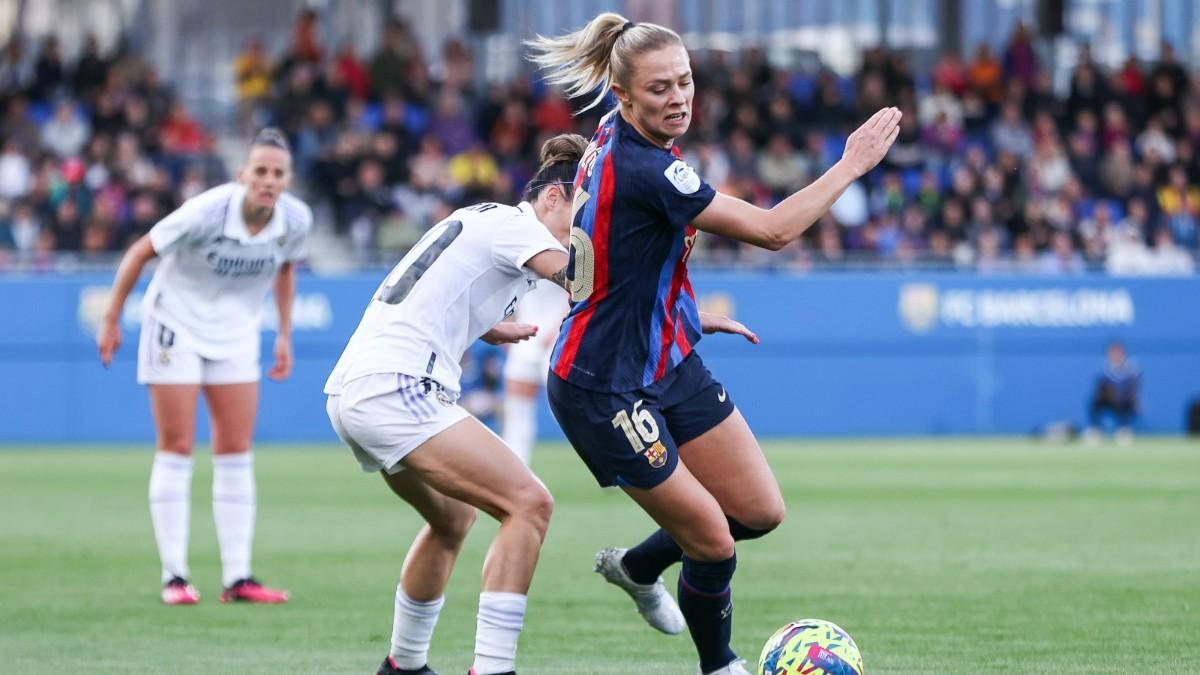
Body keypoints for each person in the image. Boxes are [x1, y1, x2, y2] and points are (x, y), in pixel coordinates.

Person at [529, 14, 899, 675]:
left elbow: (627, 253)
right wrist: (852, 165)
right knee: (715, 542)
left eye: (686, 82)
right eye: (661, 88)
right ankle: (720, 665)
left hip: (665, 354)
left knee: (757, 511)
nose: (679, 98)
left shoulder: (616, 137)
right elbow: (774, 231)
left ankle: (639, 566)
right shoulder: (646, 167)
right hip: (602, 383)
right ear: (623, 96)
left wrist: (681, 315)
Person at [324, 135, 575, 675]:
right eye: (584, 212)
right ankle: (492, 668)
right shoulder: (518, 227)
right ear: (553, 196)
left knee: (453, 519)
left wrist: (484, 325)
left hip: (354, 388)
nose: (583, 232)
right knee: (529, 504)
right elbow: (585, 279)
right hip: (397, 386)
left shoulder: (486, 221)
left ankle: (404, 666)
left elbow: (437, 284)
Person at [97, 128, 310, 605]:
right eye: (260, 171)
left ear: (288, 180)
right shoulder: (207, 211)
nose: (268, 181)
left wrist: (284, 333)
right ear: (243, 174)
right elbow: (139, 252)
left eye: (278, 174)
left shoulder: (297, 220)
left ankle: (238, 578)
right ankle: (175, 576)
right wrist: (111, 318)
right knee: (176, 446)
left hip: (235, 332)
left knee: (235, 450)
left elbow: (285, 268)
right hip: (175, 322)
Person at [500, 277, 569, 464]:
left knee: (568, 411)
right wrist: (507, 328)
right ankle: (515, 469)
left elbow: (578, 293)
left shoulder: (570, 252)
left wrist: (561, 329)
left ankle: (609, 461)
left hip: (557, 341)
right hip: (524, 340)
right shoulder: (516, 253)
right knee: (517, 412)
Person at [1084, 341, 1140, 446]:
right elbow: (1100, 388)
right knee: (1094, 402)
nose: (1116, 356)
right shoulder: (1104, 370)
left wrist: (1136, 401)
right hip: (1108, 400)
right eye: (1113, 353)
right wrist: (1109, 394)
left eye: (1118, 353)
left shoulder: (1131, 370)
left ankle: (1123, 431)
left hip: (1124, 401)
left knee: (1123, 403)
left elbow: (1133, 390)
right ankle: (1095, 431)